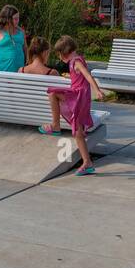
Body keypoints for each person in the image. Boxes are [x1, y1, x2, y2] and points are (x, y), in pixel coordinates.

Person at [40, 35, 101, 175]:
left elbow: (88, 76)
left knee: (53, 94)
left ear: (64, 52)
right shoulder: (76, 60)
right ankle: (87, 163)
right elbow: (80, 77)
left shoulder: (76, 62)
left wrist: (97, 90)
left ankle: (55, 126)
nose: (59, 57)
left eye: (59, 53)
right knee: (78, 132)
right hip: (78, 97)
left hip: (78, 98)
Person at [0, 5, 27, 72]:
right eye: (15, 19)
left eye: (18, 18)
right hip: (0, 74)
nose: (17, 21)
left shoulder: (21, 32)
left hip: (18, 75)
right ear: (8, 19)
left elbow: (25, 50)